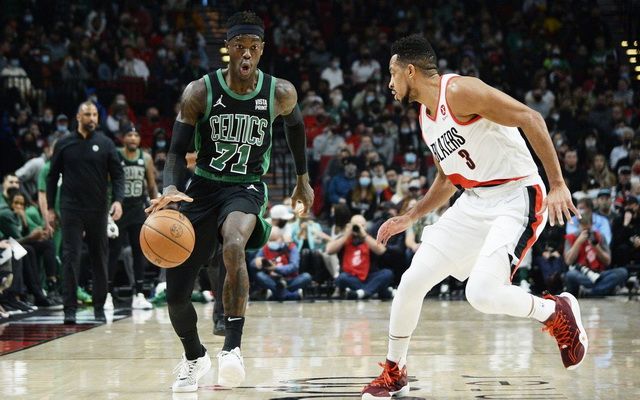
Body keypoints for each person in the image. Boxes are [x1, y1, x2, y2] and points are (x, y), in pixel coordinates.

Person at [361, 35, 587, 400]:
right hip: (475, 200)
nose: (389, 83)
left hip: (516, 194)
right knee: (411, 282)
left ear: (410, 71)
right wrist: (410, 216)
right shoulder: (426, 118)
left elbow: (530, 117)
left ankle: (554, 310)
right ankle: (394, 372)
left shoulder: (459, 91)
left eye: (392, 73)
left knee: (480, 293)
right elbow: (447, 179)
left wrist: (558, 183)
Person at [144, 11, 314, 393]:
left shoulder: (280, 92)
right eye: (239, 46)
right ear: (228, 48)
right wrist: (170, 189)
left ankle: (232, 348)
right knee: (175, 296)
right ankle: (194, 356)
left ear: (262, 49)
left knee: (234, 243)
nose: (246, 53)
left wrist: (302, 179)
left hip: (247, 187)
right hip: (203, 187)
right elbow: (175, 152)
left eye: (253, 46)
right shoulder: (200, 92)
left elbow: (296, 126)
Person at [46, 101, 124, 325]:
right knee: (71, 257)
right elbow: (52, 176)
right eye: (87, 114)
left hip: (98, 208)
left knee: (99, 257)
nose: (92, 118)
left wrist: (118, 201)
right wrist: (50, 208)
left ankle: (99, 307)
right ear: (78, 117)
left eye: (95, 115)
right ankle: (69, 308)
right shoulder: (64, 143)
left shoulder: (106, 143)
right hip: (71, 208)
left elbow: (118, 175)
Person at [106, 127, 157, 310]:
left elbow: (151, 186)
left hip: (137, 209)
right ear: (123, 138)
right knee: (114, 252)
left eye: (136, 135)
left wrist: (155, 207)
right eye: (129, 135)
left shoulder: (146, 158)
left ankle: (139, 294)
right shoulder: (116, 155)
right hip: (118, 209)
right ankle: (107, 294)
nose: (133, 138)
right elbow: (108, 183)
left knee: (138, 251)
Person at [326, 213, 393, 299]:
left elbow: (382, 251)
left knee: (387, 273)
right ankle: (373, 290)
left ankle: (362, 293)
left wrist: (364, 236)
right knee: (341, 278)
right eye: (355, 225)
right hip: (351, 277)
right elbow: (329, 250)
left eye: (362, 225)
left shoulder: (370, 237)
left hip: (370, 276)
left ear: (366, 227)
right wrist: (347, 234)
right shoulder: (344, 238)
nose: (358, 228)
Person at [564, 210, 627, 297]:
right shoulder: (571, 237)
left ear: (592, 225)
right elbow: (568, 261)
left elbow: (607, 261)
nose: (586, 231)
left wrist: (596, 247)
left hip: (599, 273)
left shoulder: (600, 236)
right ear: (579, 225)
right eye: (583, 229)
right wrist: (578, 242)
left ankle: (590, 292)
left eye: (588, 229)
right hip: (581, 274)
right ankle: (602, 288)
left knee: (622, 272)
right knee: (570, 275)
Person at [251, 226, 311, 300]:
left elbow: (294, 266)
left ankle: (276, 294)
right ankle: (293, 294)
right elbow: (254, 263)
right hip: (273, 280)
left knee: (306, 276)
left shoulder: (291, 247)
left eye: (275, 240)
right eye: (271, 240)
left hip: (290, 279)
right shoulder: (265, 248)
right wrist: (256, 262)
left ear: (282, 238)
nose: (273, 242)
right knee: (259, 275)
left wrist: (275, 268)